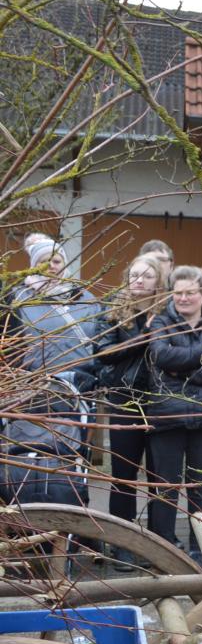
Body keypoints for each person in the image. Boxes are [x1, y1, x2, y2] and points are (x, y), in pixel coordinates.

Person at [146, 266, 202, 556]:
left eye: (190, 293)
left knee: (200, 488)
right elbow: (160, 355)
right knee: (166, 487)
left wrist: (181, 373)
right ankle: (163, 550)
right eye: (178, 293)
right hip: (168, 416)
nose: (183, 298)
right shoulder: (160, 322)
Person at [92, 253, 168, 570]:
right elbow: (104, 353)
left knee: (158, 480)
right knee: (123, 477)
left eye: (147, 276)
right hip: (124, 401)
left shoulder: (167, 312)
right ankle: (121, 545)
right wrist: (143, 337)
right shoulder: (112, 310)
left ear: (158, 282)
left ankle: (155, 545)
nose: (138, 280)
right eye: (133, 274)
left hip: (160, 403)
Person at [4, 239, 100, 387]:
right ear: (33, 267)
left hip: (83, 384)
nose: (51, 266)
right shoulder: (18, 297)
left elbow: (101, 339)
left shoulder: (86, 298)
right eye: (43, 261)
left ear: (65, 264)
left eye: (56, 261)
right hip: (34, 384)